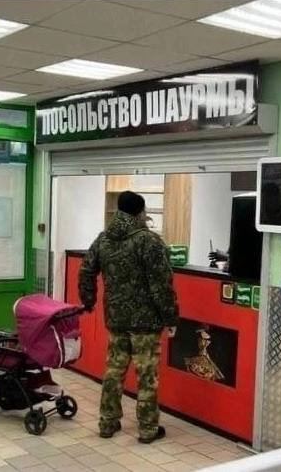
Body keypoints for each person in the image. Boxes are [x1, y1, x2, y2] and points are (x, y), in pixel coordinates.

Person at [78, 190, 179, 444]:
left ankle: (107, 422)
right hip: (146, 323)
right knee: (147, 376)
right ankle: (147, 428)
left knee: (114, 371)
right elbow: (161, 285)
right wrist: (170, 318)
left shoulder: (103, 239)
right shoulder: (149, 241)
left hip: (116, 319)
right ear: (140, 212)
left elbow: (86, 270)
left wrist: (88, 300)